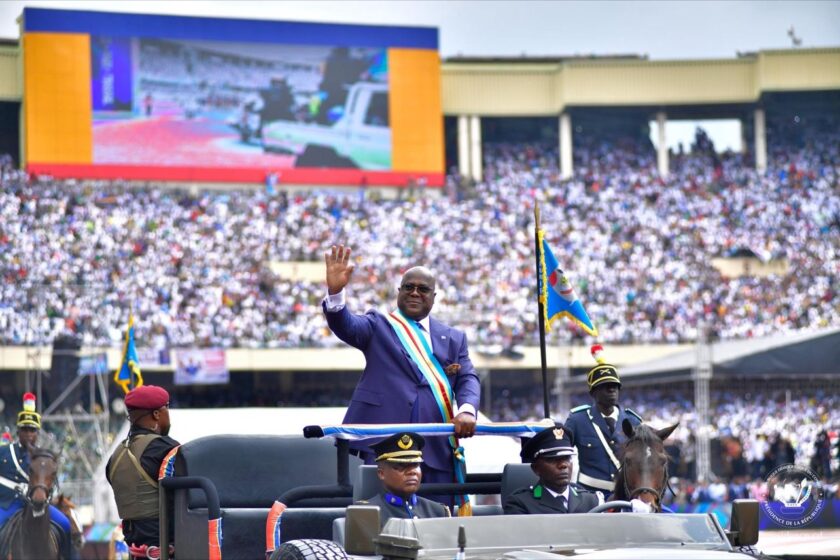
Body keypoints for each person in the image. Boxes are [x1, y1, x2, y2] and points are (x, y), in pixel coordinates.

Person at [323, 244, 480, 506]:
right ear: (399, 292)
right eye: (408, 287)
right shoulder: (379, 325)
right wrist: (336, 292)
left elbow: (467, 379)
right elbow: (346, 326)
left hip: (437, 448)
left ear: (434, 296)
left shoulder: (453, 338)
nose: (415, 293)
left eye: (423, 289)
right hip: (386, 449)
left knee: (440, 522)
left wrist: (466, 410)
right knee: (380, 522)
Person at [106, 385, 179, 553]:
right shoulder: (165, 449)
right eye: (167, 407)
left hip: (136, 551)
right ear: (157, 414)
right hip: (169, 551)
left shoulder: (115, 457)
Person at [565, 345, 643, 493]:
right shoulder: (577, 420)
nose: (612, 390)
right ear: (593, 392)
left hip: (625, 495)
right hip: (589, 495)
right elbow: (563, 455)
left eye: (615, 386)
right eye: (605, 386)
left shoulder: (634, 421)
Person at [0, 393, 72, 554]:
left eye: (32, 430)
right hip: (9, 504)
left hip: (36, 506)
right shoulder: (4, 452)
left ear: (37, 433)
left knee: (66, 524)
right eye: (24, 429)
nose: (28, 434)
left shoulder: (43, 458)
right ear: (18, 431)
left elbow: (51, 482)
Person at [504, 424, 601, 514]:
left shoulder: (591, 501)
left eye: (567, 458)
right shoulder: (521, 503)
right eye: (553, 459)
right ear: (536, 468)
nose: (563, 465)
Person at [360, 432, 450, 527]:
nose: (412, 472)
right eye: (401, 466)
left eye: (415, 465)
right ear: (381, 473)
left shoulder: (438, 511)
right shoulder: (366, 512)